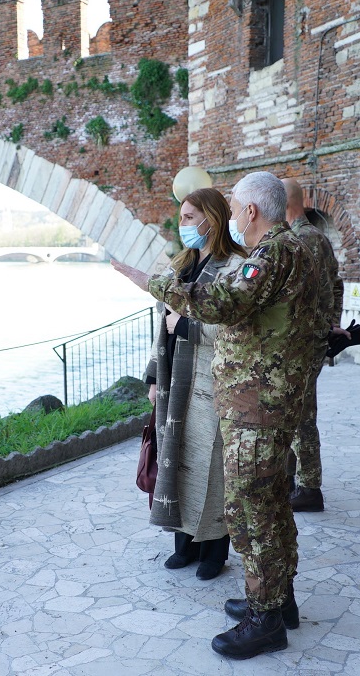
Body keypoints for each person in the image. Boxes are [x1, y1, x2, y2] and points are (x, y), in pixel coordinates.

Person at [112, 171, 325, 660]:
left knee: (253, 508)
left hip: (258, 405)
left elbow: (219, 302)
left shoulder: (272, 254)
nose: (230, 217)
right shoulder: (296, 251)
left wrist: (154, 282)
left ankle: (265, 617)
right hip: (268, 400)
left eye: (233, 208)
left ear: (251, 211)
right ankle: (279, 598)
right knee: (269, 503)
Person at [144, 188, 246, 581]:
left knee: (211, 465)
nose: (182, 224)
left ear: (212, 219)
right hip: (175, 381)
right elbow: (162, 325)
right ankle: (184, 544)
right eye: (182, 217)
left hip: (211, 382)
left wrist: (186, 324)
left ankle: (214, 551)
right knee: (179, 460)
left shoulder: (234, 266)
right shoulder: (182, 263)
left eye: (189, 217)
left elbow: (235, 328)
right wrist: (154, 376)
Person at [281, 178, 345, 513]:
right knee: (298, 412)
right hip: (313, 340)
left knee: (300, 416)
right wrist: (332, 325)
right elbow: (336, 284)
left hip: (299, 344)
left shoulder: (295, 240)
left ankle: (308, 488)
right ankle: (295, 481)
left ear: (284, 203)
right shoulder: (318, 237)